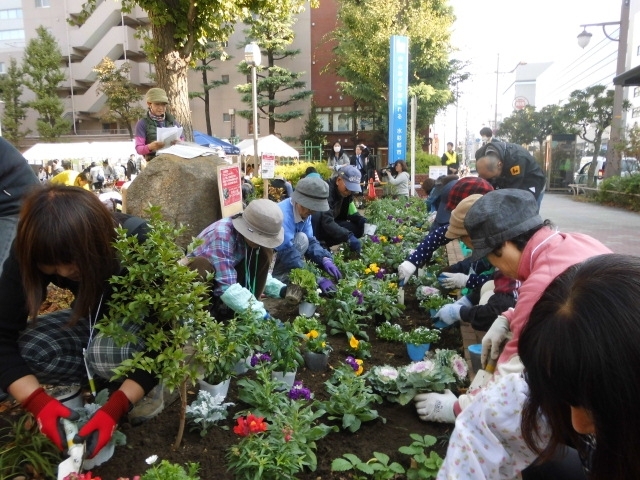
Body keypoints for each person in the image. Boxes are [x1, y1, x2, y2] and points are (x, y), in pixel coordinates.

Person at [0, 185, 178, 461]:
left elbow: (167, 335)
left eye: (72, 262)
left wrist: (117, 406)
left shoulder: (138, 242)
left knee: (105, 352)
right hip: (96, 317)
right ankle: (98, 385)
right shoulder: (32, 247)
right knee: (32, 349)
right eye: (52, 266)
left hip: (149, 329)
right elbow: (1, 334)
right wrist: (38, 403)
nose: (65, 273)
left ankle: (150, 387)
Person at [414, 189, 612, 425]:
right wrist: (509, 317)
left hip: (609, 396)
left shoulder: (544, 285)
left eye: (490, 258)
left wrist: (458, 408)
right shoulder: (573, 241)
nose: (495, 267)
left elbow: (508, 379)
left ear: (505, 244)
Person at [430, 194, 518, 332]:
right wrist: (468, 301)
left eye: (462, 239)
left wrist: (460, 313)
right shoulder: (509, 241)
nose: (462, 243)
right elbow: (494, 279)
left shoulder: (512, 263)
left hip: (538, 332)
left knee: (488, 295)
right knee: (489, 286)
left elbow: (496, 308)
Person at [189, 199, 285, 321]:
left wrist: (281, 290)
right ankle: (203, 323)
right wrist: (262, 315)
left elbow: (255, 273)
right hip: (203, 286)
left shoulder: (248, 241)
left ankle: (241, 313)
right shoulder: (222, 235)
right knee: (201, 266)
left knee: (265, 252)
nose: (260, 243)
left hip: (225, 279)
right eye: (259, 238)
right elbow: (227, 287)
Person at [397, 177, 494, 286]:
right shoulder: (480, 227)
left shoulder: (500, 242)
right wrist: (412, 262)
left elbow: (502, 283)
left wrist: (468, 281)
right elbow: (439, 236)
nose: (460, 236)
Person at [272, 175, 342, 289]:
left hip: (285, 251)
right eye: (309, 207)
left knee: (303, 238)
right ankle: (278, 279)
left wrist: (324, 259)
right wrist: (315, 278)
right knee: (298, 243)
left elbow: (310, 241)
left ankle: (285, 276)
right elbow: (288, 254)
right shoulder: (283, 215)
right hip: (266, 255)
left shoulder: (304, 212)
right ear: (298, 201)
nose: (312, 211)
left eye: (314, 208)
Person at [474, 141, 546, 209]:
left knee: (527, 213)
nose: (491, 180)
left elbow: (512, 192)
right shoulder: (480, 154)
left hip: (531, 182)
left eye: (493, 177)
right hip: (509, 181)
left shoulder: (517, 159)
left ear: (500, 165)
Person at [312, 165, 366, 252]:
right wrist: (347, 236)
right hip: (319, 226)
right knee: (317, 217)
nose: (349, 192)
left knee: (358, 228)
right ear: (338, 180)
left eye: (352, 189)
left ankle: (326, 244)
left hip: (332, 222)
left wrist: (361, 219)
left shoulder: (347, 194)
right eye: (347, 188)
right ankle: (321, 244)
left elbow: (352, 211)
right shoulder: (326, 191)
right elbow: (327, 221)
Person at [134, 87, 182, 161]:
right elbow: (139, 149)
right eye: (157, 104)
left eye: (163, 105)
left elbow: (182, 140)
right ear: (149, 104)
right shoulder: (142, 123)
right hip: (152, 162)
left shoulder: (173, 122)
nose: (160, 108)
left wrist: (179, 142)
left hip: (172, 160)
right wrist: (150, 147)